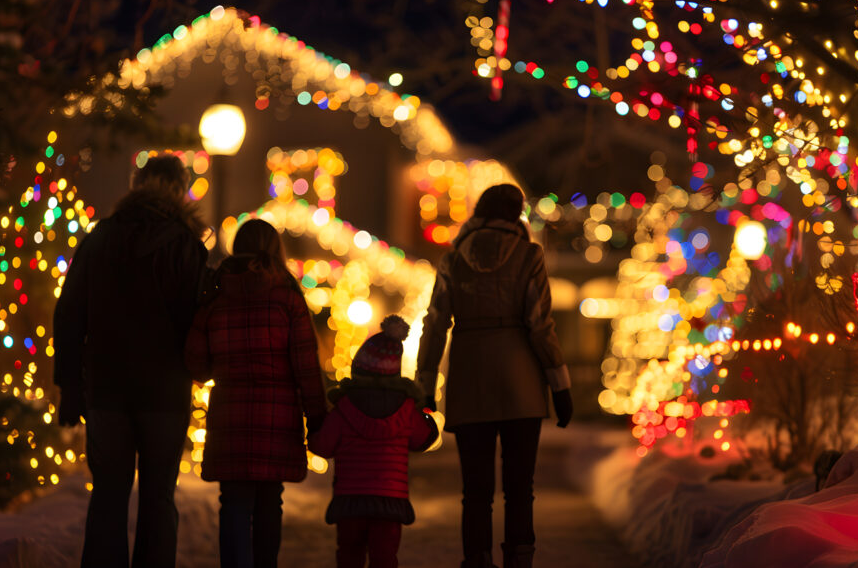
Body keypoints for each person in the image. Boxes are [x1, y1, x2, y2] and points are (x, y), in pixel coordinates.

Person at [53, 154, 209, 568]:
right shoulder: (186, 245)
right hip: (165, 390)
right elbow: (200, 319)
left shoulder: (100, 238)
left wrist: (70, 384)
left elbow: (70, 313)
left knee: (107, 494)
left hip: (106, 387)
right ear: (179, 189)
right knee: (159, 497)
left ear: (137, 184)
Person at [416, 183, 573, 568]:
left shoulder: (454, 258)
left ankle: (477, 560)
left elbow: (435, 324)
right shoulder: (529, 254)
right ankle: (520, 560)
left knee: (475, 491)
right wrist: (560, 385)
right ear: (516, 214)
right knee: (520, 489)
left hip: (469, 375)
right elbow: (539, 323)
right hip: (520, 378)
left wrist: (424, 383)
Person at [184, 218, 327, 568]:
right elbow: (306, 365)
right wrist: (318, 417)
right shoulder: (287, 297)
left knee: (232, 501)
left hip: (230, 413)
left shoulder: (215, 296)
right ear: (275, 248)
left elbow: (198, 365)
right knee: (269, 501)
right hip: (276, 416)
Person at [308, 315, 439, 568]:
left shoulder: (342, 409)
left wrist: (314, 426)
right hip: (390, 499)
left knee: (349, 554)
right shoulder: (407, 410)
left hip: (350, 500)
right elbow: (423, 439)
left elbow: (321, 446)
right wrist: (426, 414)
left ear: (358, 368)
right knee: (385, 557)